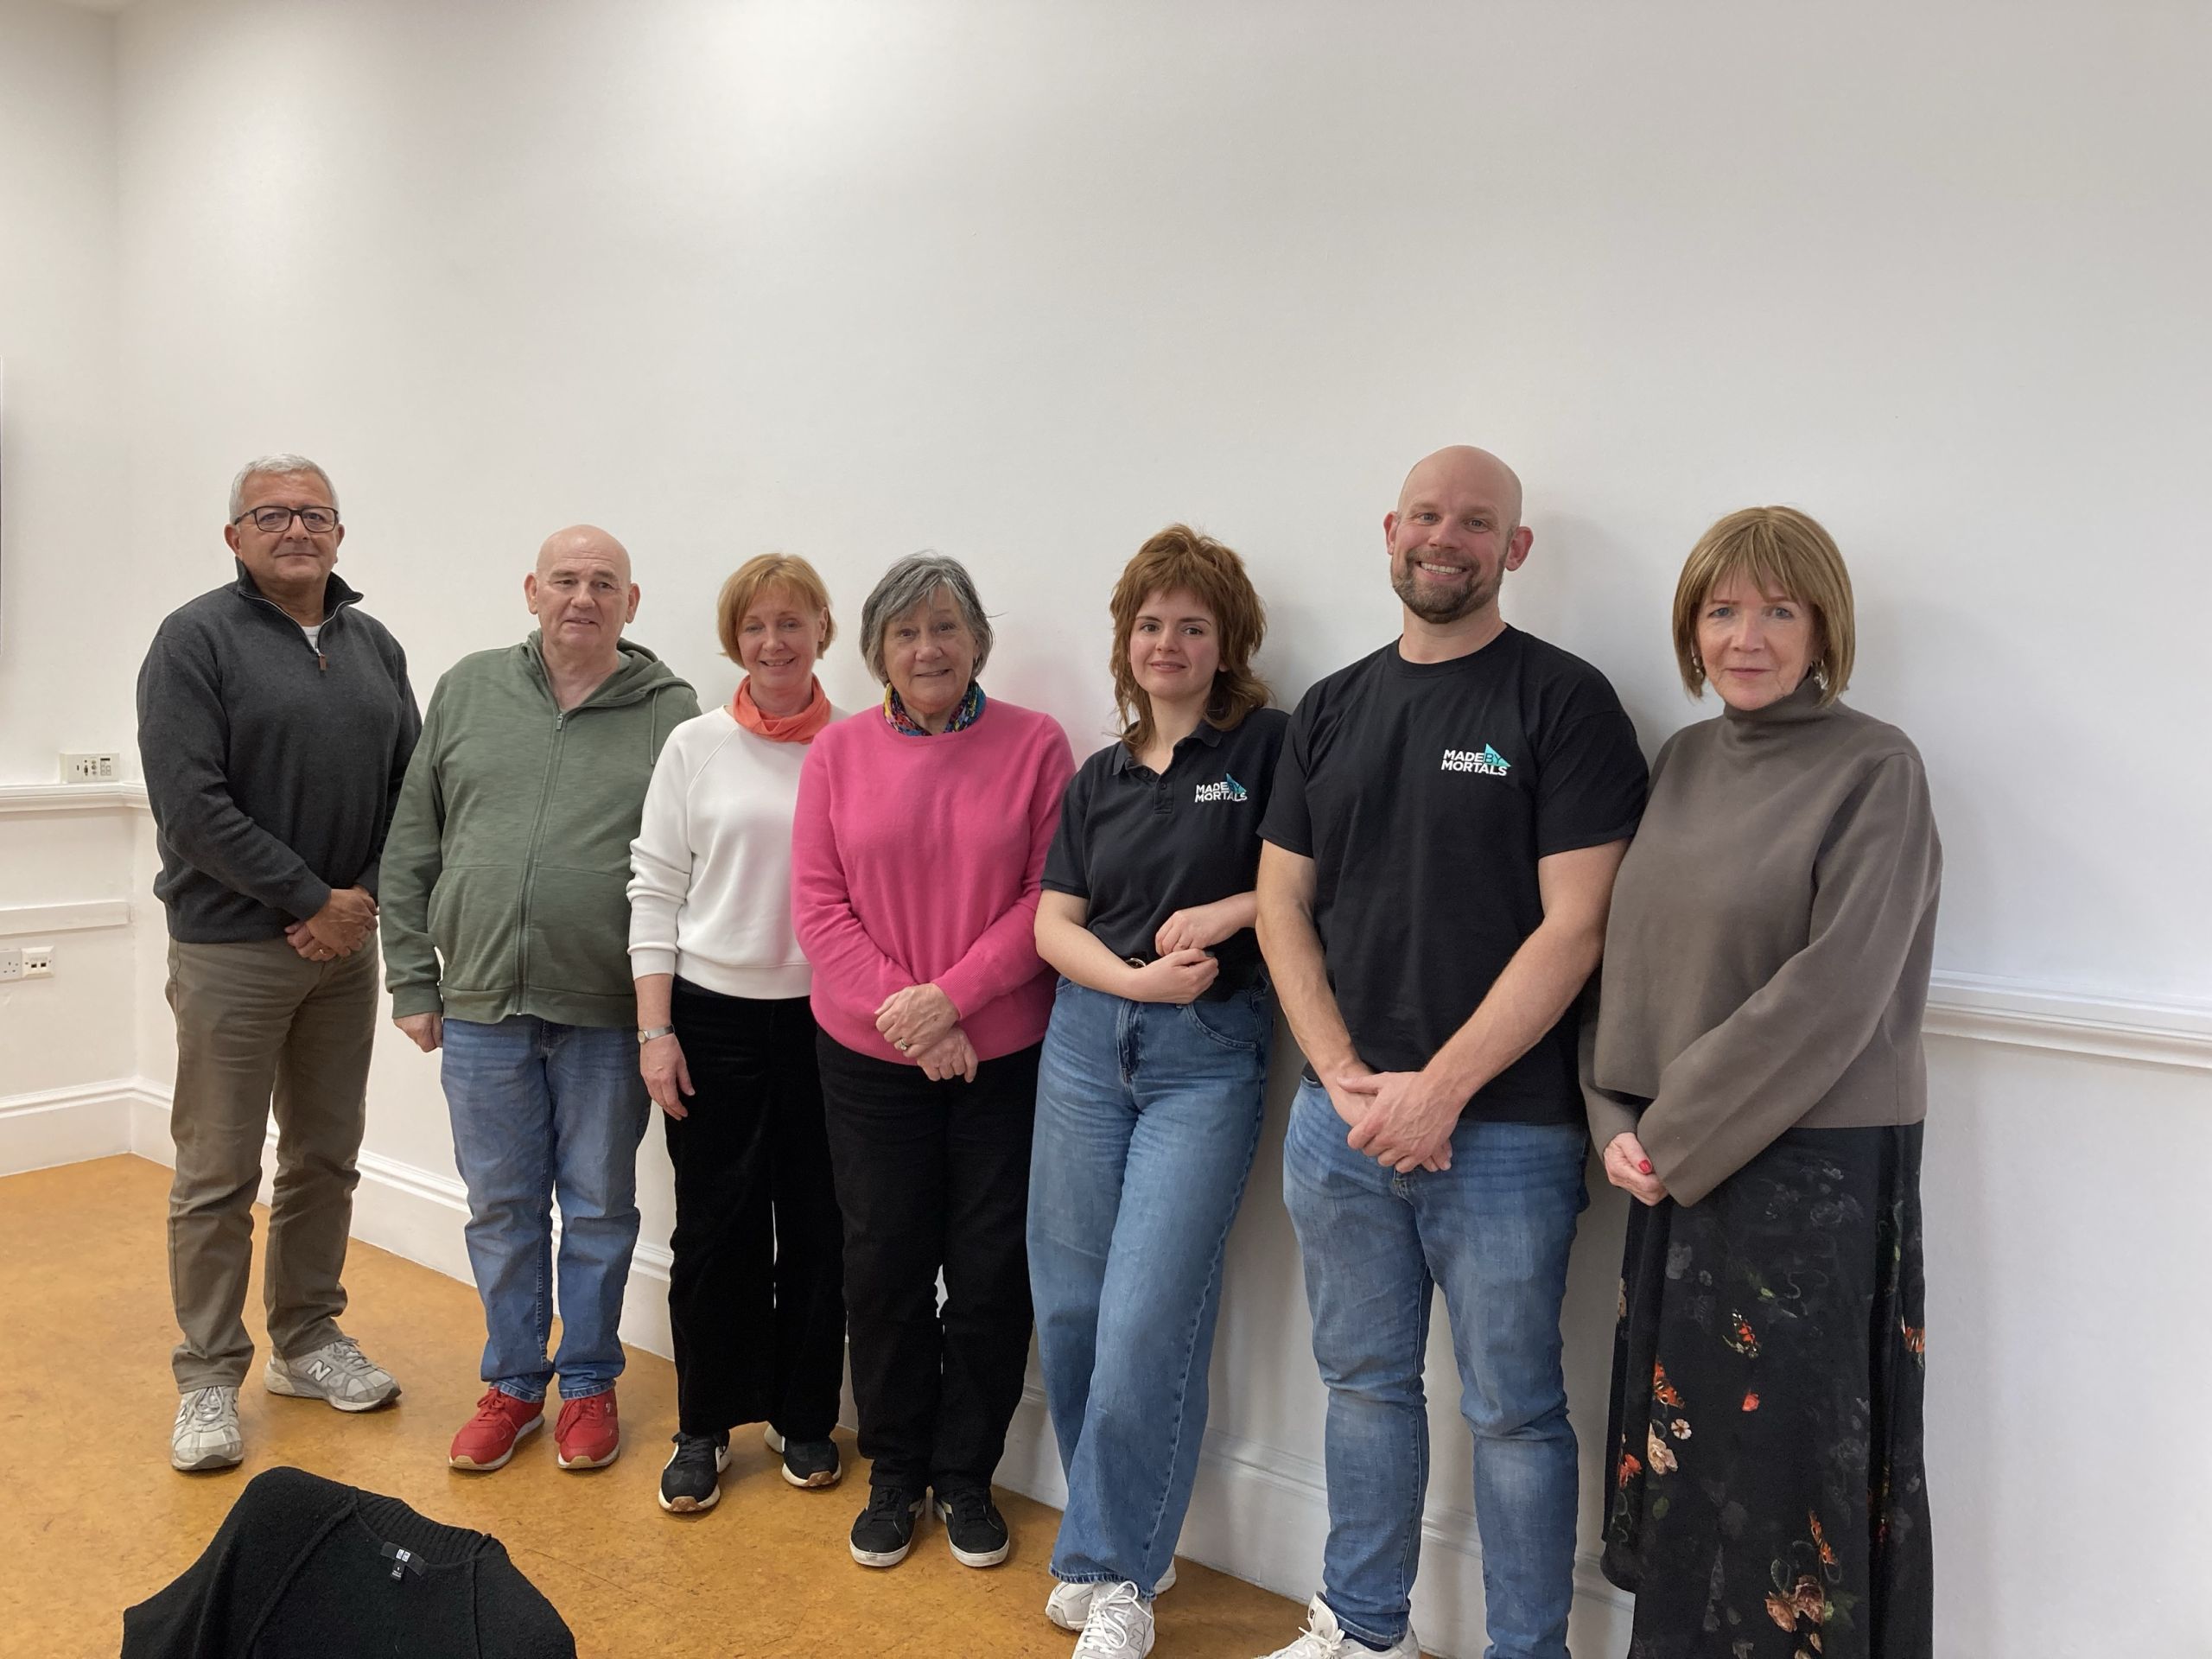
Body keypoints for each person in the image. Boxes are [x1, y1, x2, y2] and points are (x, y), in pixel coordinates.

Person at [1254, 446, 1649, 1659]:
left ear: (1513, 550)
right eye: (1427, 515)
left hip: (1508, 1134)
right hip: (1343, 1124)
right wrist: (1340, 1077)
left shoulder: (1563, 703)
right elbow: (1281, 907)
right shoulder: (1330, 707)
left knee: (1516, 1412)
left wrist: (1443, 1090)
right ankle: (1364, 1630)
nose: (1448, 537)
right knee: (1364, 1387)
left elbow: (1577, 925)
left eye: (1478, 522)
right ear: (1390, 532)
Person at [1586, 506, 1938, 1658]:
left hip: (1809, 1178)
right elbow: (1628, 955)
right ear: (1692, 626)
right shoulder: (1682, 761)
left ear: (1822, 625)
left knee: (1788, 1489)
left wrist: (1671, 1132)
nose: (1748, 635)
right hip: (1674, 1175)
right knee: (1693, 1482)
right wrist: (1616, 1121)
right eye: (1724, 609)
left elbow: (1835, 991)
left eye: (1779, 610)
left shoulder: (1876, 766)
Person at [379, 524, 699, 1476]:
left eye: (604, 583)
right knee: (500, 1206)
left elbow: (689, 866)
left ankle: (590, 1384)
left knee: (600, 1207)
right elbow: (413, 839)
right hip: (479, 1003)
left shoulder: (671, 712)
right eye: (565, 579)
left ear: (631, 604)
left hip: (606, 1008)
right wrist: (412, 976)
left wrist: (667, 1013)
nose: (582, 598)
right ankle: (516, 1383)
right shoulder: (470, 687)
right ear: (531, 590)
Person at [1027, 527, 1287, 1659]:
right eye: (1150, 625)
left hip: (1207, 1056)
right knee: (1076, 1313)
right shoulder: (1100, 775)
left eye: (1192, 625)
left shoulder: (1270, 749)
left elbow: (1308, 885)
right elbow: (1052, 925)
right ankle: (1125, 1527)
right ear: (1126, 642)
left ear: (1225, 643)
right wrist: (1132, 978)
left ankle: (1117, 1573)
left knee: (1146, 1319)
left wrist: (1231, 918)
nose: (1168, 643)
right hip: (1086, 1047)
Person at [792, 552, 1074, 1573]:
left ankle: (966, 1477)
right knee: (885, 1268)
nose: (927, 648)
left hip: (1000, 1055)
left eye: (945, 628)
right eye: (906, 633)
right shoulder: (837, 753)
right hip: (869, 1060)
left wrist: (950, 1001)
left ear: (976, 642)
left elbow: (1047, 897)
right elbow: (820, 909)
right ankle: (896, 1470)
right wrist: (916, 1019)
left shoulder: (1037, 746)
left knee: (993, 1273)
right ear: (877, 651)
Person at [137, 454, 418, 1473]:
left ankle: (305, 1341)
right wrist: (313, 900)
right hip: (231, 951)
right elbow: (192, 804)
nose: (296, 529)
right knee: (217, 1173)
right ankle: (208, 1376)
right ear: (236, 536)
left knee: (324, 1157)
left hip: (346, 951)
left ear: (339, 534)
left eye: (315, 515)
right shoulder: (194, 640)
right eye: (272, 514)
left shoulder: (374, 645)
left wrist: (362, 904)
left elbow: (410, 792)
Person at [626, 553, 848, 1515]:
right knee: (714, 1233)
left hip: (827, 1020)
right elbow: (655, 890)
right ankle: (704, 1424)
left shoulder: (860, 745)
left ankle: (803, 1417)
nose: (773, 642)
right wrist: (654, 1030)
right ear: (734, 641)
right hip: (710, 1019)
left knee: (817, 1227)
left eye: (791, 623)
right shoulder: (694, 745)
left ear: (823, 632)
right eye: (755, 626)